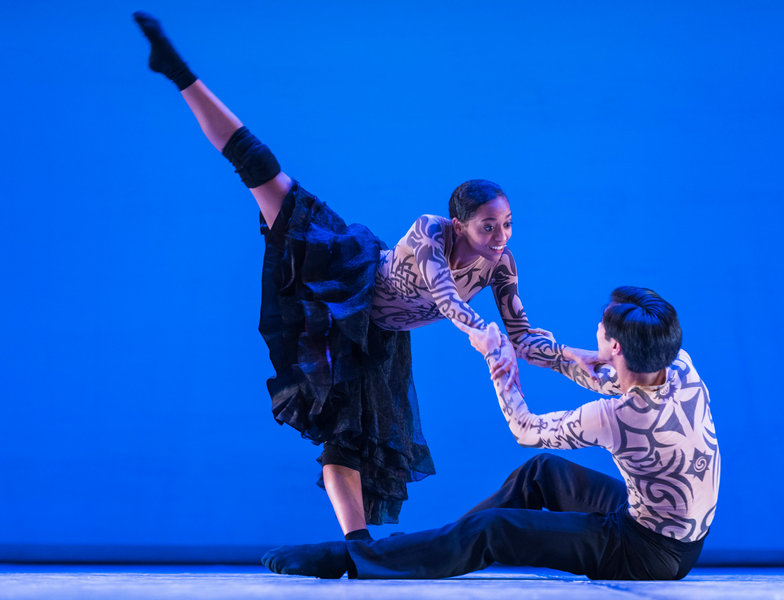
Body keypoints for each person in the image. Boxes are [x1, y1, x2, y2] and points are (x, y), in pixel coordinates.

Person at [132, 11, 598, 542]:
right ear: (459, 224)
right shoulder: (430, 233)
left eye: (507, 224)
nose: (501, 236)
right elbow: (448, 301)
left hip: (379, 335)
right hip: (344, 281)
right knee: (261, 170)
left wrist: (579, 359)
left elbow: (524, 337)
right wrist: (480, 335)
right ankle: (178, 72)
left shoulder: (501, 264)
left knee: (351, 439)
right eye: (488, 226)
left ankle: (359, 547)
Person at [262, 286, 719, 580]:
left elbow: (525, 429)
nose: (596, 330)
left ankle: (356, 558)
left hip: (647, 551)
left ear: (615, 346)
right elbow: (610, 376)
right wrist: (558, 354)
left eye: (602, 330)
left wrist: (498, 365)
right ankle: (428, 547)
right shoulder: (679, 366)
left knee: (493, 529)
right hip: (678, 532)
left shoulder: (619, 417)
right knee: (541, 472)